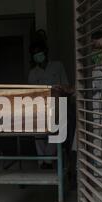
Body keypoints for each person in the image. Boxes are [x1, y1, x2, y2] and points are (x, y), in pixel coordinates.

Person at [28, 40, 71, 169]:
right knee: (39, 134)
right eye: (34, 54)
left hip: (57, 104)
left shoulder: (57, 66)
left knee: (55, 131)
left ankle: (48, 159)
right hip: (39, 106)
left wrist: (59, 89)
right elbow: (30, 93)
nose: (37, 55)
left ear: (45, 52)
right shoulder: (33, 73)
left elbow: (66, 85)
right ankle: (43, 161)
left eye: (39, 52)